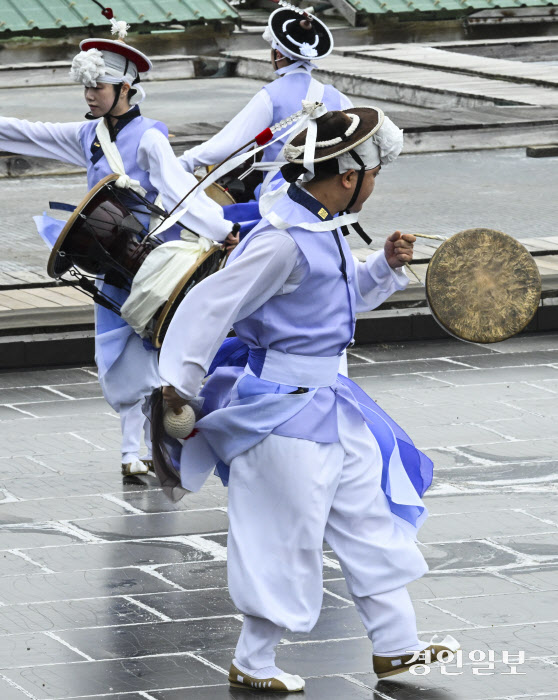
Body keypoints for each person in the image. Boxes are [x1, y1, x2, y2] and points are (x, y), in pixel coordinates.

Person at [158, 104, 459, 691]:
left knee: (369, 522)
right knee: (281, 532)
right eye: (373, 175)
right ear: (349, 177)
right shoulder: (283, 240)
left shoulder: (320, 225)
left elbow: (334, 306)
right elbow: (208, 307)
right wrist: (179, 390)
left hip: (331, 403)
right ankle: (254, 661)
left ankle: (396, 648)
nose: (374, 185)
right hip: (281, 414)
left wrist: (382, 268)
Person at [0, 20, 237, 479]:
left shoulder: (149, 135)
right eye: (86, 86)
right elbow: (29, 134)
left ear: (125, 86)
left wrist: (220, 226)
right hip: (106, 257)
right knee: (118, 354)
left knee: (149, 349)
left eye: (99, 86)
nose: (89, 94)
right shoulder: (87, 136)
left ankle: (150, 446)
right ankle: (137, 448)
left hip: (150, 260)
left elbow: (179, 189)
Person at [179, 2, 352, 202]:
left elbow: (229, 146)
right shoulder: (339, 98)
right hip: (330, 194)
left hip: (282, 196)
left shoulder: (271, 95)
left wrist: (182, 162)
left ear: (278, 55)